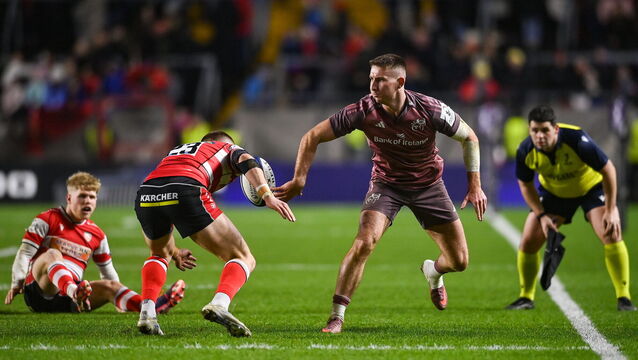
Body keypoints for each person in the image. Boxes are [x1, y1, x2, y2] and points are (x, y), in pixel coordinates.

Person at [274, 53, 488, 333]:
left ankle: (433, 272)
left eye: (380, 80)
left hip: (428, 186)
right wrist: (299, 179)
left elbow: (469, 137)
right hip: (386, 185)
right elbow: (312, 136)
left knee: (459, 262)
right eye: (371, 79)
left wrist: (475, 185)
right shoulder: (363, 110)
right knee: (364, 242)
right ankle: (337, 316)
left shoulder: (429, 109)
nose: (373, 86)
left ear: (400, 81)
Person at [135, 130, 296, 336]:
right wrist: (267, 196)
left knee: (159, 254)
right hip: (188, 188)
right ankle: (219, 304)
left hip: (146, 192)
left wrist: (174, 251)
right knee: (243, 257)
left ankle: (147, 314)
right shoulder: (225, 147)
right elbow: (246, 159)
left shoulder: (177, 152)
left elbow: (167, 188)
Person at [506, 105, 636, 311]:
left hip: (589, 188)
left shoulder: (577, 140)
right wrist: (541, 215)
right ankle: (526, 297)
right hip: (554, 193)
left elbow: (608, 169)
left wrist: (611, 210)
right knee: (528, 240)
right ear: (530, 130)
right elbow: (525, 184)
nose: (539, 136)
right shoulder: (525, 150)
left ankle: (624, 298)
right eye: (535, 131)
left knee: (611, 233)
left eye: (545, 130)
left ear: (555, 129)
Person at [4, 171, 185, 314]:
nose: (88, 202)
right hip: (39, 292)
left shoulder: (97, 234)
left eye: (92, 197)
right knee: (53, 254)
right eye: (82, 196)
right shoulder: (47, 219)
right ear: (69, 198)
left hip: (71, 301)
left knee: (110, 286)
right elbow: (25, 252)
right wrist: (17, 281)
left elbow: (108, 273)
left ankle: (153, 307)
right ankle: (75, 292)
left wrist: (117, 297)